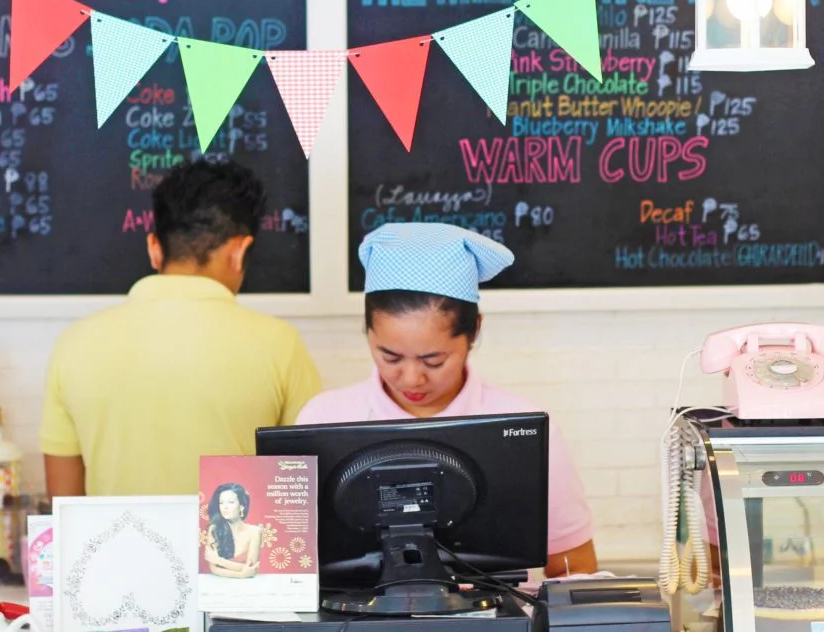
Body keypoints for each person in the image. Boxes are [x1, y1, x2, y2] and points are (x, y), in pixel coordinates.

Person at [296, 223, 597, 578]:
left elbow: (574, 566)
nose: (411, 379)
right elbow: (290, 563)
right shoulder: (323, 418)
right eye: (389, 356)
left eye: (433, 360)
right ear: (368, 332)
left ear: (475, 331)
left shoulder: (522, 426)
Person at [40, 159, 322, 498]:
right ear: (239, 251)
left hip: (116, 551)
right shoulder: (280, 345)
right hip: (235, 551)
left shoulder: (74, 344)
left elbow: (64, 507)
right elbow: (307, 491)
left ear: (154, 248)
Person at [205, 482, 261, 579]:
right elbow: (214, 569)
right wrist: (241, 575)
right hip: (219, 586)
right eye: (221, 503)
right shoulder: (214, 529)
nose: (225, 507)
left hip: (248, 587)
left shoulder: (254, 531)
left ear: (241, 506)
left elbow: (252, 569)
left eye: (231, 502)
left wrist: (218, 560)